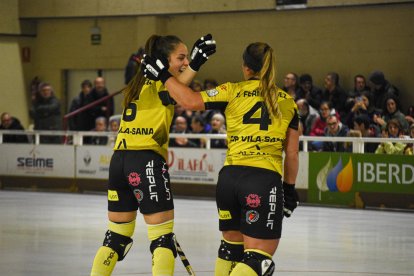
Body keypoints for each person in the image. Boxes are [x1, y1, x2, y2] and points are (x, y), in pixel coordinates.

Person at [142, 41, 299, 276]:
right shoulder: (287, 101)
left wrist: (163, 75)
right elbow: (293, 154)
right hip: (262, 180)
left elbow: (188, 101)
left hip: (229, 181)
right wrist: (289, 189)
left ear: (246, 68)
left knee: (230, 250)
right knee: (258, 260)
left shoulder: (232, 90)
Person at [90, 33, 216, 276]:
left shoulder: (136, 84)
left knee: (116, 238)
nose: (185, 63)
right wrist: (197, 64)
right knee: (162, 241)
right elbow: (177, 92)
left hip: (120, 162)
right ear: (164, 60)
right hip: (145, 160)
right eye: (181, 57)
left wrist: (193, 65)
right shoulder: (162, 85)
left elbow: (175, 85)